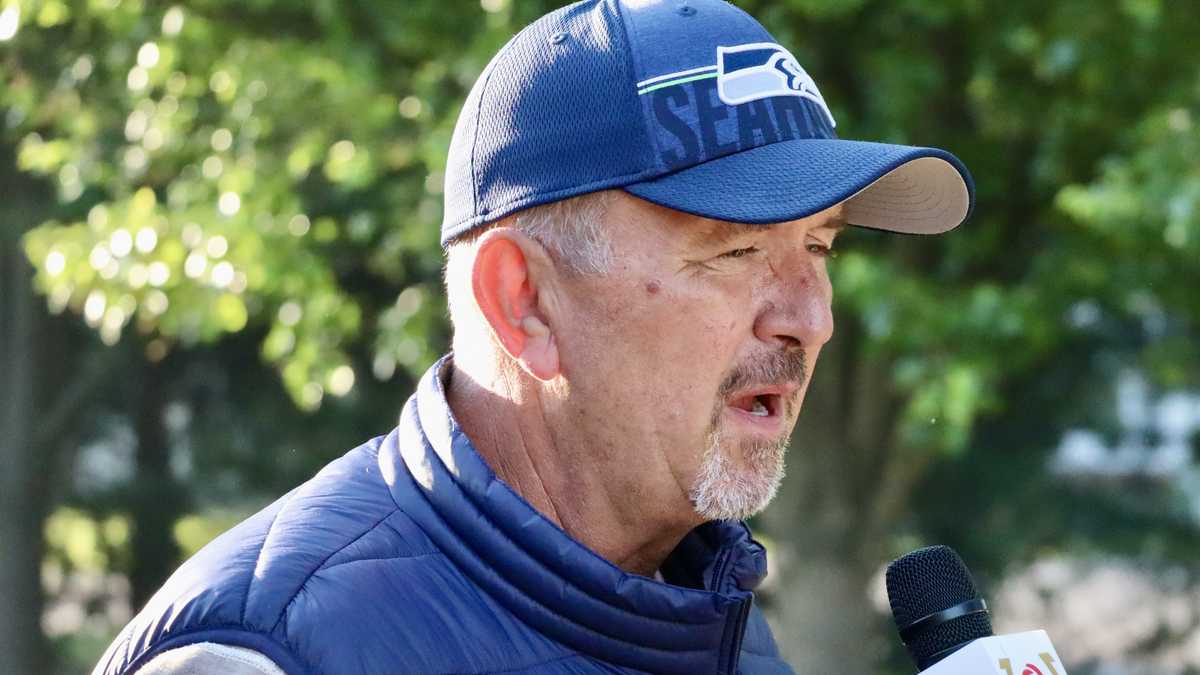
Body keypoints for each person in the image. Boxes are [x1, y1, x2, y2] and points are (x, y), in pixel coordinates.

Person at [94, 1, 973, 673]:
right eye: (736, 248)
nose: (810, 317)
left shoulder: (723, 632)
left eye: (818, 244)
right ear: (524, 303)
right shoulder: (270, 651)